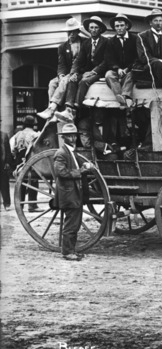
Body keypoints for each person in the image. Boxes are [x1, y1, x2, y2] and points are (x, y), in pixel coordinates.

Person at [55, 16, 111, 122]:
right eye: (91, 27)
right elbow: (78, 60)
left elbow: (107, 61)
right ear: (88, 29)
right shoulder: (86, 43)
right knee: (72, 79)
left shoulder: (106, 42)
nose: (93, 30)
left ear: (100, 29)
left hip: (100, 72)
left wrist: (94, 71)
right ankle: (68, 108)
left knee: (84, 81)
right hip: (87, 72)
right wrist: (74, 73)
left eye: (96, 27)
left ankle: (76, 108)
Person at [53, 122, 95, 261]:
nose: (72, 138)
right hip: (69, 193)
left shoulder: (72, 152)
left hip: (75, 193)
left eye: (74, 135)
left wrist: (84, 167)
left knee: (75, 224)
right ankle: (67, 252)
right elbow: (61, 173)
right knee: (70, 225)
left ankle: (72, 250)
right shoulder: (61, 153)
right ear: (63, 137)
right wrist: (81, 171)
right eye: (69, 136)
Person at [38, 17, 85, 120]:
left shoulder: (85, 43)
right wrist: (61, 74)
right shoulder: (63, 47)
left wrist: (73, 73)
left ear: (78, 31)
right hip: (67, 73)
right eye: (69, 32)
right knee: (52, 83)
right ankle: (51, 110)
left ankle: (52, 108)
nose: (71, 34)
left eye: (73, 32)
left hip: (81, 73)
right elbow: (61, 64)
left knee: (64, 80)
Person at [104, 13, 138, 109]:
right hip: (117, 70)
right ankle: (122, 98)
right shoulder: (111, 41)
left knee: (132, 75)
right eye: (117, 26)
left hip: (130, 69)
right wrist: (117, 68)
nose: (119, 28)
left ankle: (126, 95)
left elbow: (138, 57)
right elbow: (109, 58)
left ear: (126, 26)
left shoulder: (135, 39)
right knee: (108, 75)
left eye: (122, 25)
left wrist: (127, 68)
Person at [9, 116, 40, 212]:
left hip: (19, 163)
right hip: (32, 162)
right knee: (34, 181)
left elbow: (12, 149)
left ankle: (20, 205)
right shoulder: (35, 134)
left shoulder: (17, 134)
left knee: (21, 183)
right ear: (33, 124)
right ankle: (32, 205)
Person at [0, 129, 11, 211]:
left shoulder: (4, 135)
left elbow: (7, 150)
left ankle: (6, 203)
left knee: (4, 184)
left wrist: (7, 162)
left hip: (2, 163)